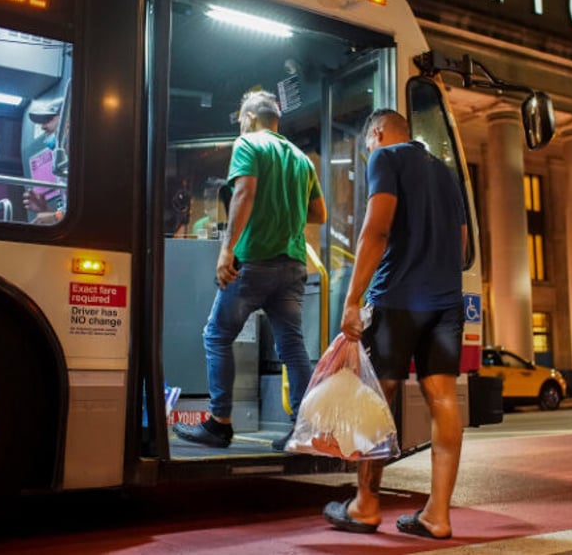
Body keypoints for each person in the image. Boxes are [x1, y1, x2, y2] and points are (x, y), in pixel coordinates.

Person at [322, 109, 466, 540]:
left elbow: (376, 230)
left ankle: (365, 505)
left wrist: (352, 300)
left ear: (379, 134)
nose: (369, 153)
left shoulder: (387, 158)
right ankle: (437, 515)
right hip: (446, 302)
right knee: (443, 398)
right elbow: (459, 245)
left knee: (377, 396)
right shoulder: (445, 172)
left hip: (398, 298)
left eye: (368, 145)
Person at [172, 90, 326, 450]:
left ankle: (219, 423)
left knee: (217, 335)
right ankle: (302, 429)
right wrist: (285, 210)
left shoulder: (248, 144)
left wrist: (227, 250)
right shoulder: (302, 159)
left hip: (254, 262)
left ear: (251, 118)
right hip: (291, 264)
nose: (240, 123)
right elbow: (319, 214)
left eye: (241, 117)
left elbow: (244, 194)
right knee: (292, 347)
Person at [23, 97, 65, 224]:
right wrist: (44, 209)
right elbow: (68, 214)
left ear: (68, 118)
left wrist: (55, 217)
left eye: (48, 119)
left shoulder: (86, 162)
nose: (43, 127)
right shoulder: (61, 166)